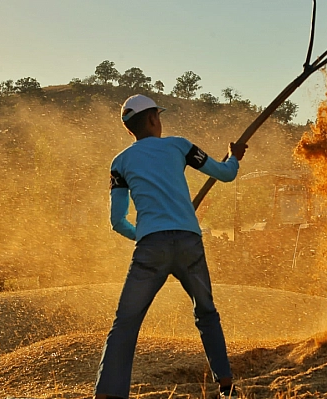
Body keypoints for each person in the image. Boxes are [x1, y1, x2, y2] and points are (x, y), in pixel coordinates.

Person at [94, 94, 247, 399]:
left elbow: (117, 221)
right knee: (206, 312)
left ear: (129, 129)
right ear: (152, 119)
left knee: (125, 323)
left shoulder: (120, 163)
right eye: (158, 117)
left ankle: (109, 393)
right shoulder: (179, 145)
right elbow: (226, 175)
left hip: (151, 247)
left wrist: (148, 233)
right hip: (190, 243)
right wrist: (235, 156)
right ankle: (226, 382)